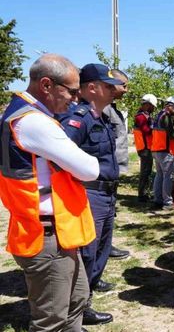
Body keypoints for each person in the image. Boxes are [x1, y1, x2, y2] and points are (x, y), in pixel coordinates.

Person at [0, 54, 99, 332]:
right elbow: (89, 169)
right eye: (71, 91)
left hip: (58, 234)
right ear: (46, 85)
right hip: (46, 237)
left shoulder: (20, 114)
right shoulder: (34, 123)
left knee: (77, 298)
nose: (75, 99)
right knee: (51, 320)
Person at [59, 63, 124, 325]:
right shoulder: (79, 117)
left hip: (106, 194)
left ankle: (88, 293)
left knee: (102, 248)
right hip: (90, 194)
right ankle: (79, 308)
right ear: (92, 88)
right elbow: (60, 156)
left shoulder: (102, 117)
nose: (113, 90)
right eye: (108, 86)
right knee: (87, 251)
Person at [102, 69, 130, 260]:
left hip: (112, 170)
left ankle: (105, 246)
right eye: (124, 85)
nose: (126, 90)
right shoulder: (103, 110)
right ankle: (102, 247)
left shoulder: (111, 109)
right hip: (103, 171)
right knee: (104, 213)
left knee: (109, 212)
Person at [151, 96, 174, 209]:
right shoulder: (167, 117)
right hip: (164, 150)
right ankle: (168, 202)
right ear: (171, 106)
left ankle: (157, 199)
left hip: (156, 149)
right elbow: (172, 135)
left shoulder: (159, 115)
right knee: (168, 176)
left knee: (159, 175)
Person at [133, 94, 158, 202]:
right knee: (145, 172)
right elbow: (146, 131)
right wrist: (157, 130)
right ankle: (142, 195)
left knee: (147, 171)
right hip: (144, 148)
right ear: (147, 105)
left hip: (147, 147)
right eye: (152, 106)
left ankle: (145, 193)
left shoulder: (145, 116)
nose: (153, 108)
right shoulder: (140, 117)